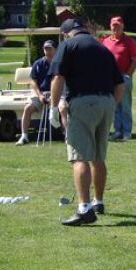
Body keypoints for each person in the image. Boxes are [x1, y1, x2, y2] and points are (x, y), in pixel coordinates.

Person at [48, 18, 125, 226]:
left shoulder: (67, 45)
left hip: (82, 102)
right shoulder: (103, 48)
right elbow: (120, 84)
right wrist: (111, 105)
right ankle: (98, 202)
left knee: (79, 157)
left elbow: (57, 78)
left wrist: (54, 108)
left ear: (66, 33)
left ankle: (84, 209)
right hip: (106, 102)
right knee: (98, 157)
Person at [101, 16, 136, 141]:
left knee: (125, 105)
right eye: (114, 25)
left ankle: (127, 131)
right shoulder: (105, 41)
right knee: (114, 105)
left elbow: (135, 60)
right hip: (109, 78)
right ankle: (117, 130)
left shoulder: (129, 41)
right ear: (110, 26)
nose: (115, 28)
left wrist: (128, 75)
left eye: (118, 25)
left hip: (123, 76)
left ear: (123, 26)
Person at [15, 39, 56, 146]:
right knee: (28, 108)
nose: (47, 51)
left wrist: (53, 95)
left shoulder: (59, 63)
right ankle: (24, 136)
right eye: (46, 49)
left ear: (55, 50)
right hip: (40, 93)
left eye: (50, 49)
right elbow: (33, 82)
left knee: (63, 108)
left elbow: (59, 81)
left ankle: (66, 135)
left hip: (55, 93)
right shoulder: (38, 63)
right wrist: (40, 95)